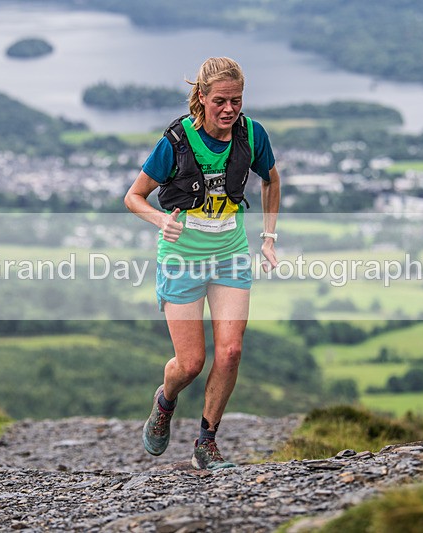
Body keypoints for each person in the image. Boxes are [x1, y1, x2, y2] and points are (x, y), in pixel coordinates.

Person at [124, 57, 281, 470]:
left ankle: (206, 443)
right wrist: (161, 221)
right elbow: (133, 196)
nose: (230, 110)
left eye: (237, 101)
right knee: (190, 363)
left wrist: (268, 237)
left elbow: (271, 179)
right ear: (201, 98)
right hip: (182, 258)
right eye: (220, 101)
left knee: (230, 352)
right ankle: (165, 400)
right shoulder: (176, 142)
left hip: (229, 253)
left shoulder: (251, 134)